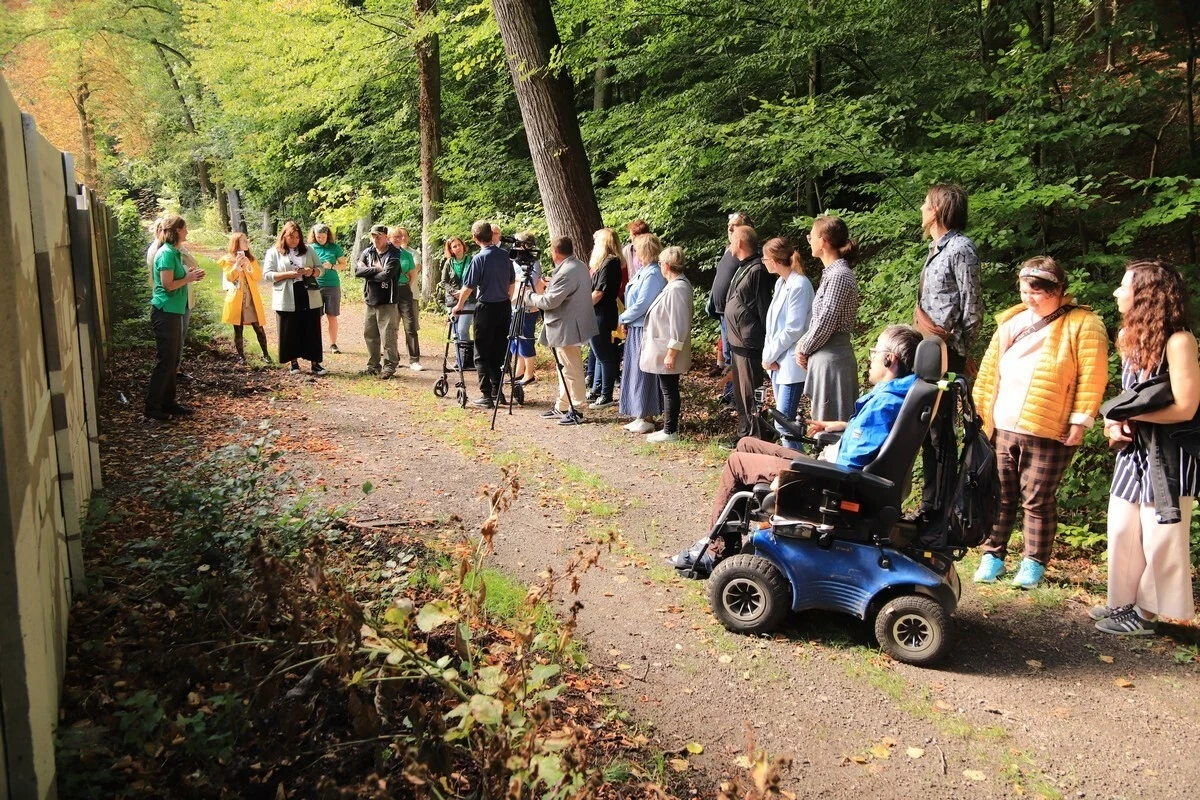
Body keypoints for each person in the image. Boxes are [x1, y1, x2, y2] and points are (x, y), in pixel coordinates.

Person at [970, 258, 1109, 588]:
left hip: (1050, 426)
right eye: (1024, 290)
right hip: (1004, 421)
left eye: (1036, 291)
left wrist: (1081, 420)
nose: (1029, 298)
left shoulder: (1084, 323)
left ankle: (1034, 562)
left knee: (1037, 498)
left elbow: (1093, 376)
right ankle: (993, 554)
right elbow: (989, 373)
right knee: (1000, 493)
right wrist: (978, 416)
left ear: (1058, 290)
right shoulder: (1012, 321)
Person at [705, 325, 924, 528]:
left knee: (737, 462)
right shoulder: (900, 396)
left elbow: (850, 466)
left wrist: (790, 476)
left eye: (875, 352)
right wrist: (846, 426)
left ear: (889, 359)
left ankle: (715, 550)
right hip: (832, 470)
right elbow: (874, 438)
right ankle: (735, 534)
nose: (871, 357)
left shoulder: (885, 404)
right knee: (747, 444)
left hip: (830, 483)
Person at [1091, 261, 1200, 636]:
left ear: (1147, 296)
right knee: (1122, 526)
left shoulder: (1179, 341)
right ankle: (1122, 601)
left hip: (1170, 454)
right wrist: (1112, 420)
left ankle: (1148, 613)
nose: (1117, 293)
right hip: (1134, 450)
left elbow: (1186, 407)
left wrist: (1135, 419)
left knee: (1162, 534)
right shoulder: (1129, 337)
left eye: (1125, 287)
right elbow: (1129, 396)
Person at [914, 184, 982, 521]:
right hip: (929, 350)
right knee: (927, 427)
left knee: (941, 430)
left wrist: (962, 352)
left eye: (926, 204)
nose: (921, 208)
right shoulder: (936, 248)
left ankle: (939, 510)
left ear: (938, 210)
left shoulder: (961, 248)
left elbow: (972, 308)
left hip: (947, 352)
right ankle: (931, 504)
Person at [526, 237, 598, 425]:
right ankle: (563, 405)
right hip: (570, 323)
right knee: (564, 367)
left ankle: (577, 408)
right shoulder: (579, 265)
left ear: (554, 252)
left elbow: (550, 301)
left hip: (567, 325)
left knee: (571, 368)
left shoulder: (567, 271)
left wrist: (529, 296)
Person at [795, 216, 860, 423]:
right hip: (826, 357)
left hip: (834, 361)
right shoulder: (831, 274)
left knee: (832, 421)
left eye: (811, 236)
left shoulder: (839, 275)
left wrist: (804, 348)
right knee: (822, 420)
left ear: (822, 241)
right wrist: (803, 344)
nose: (809, 241)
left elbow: (826, 320)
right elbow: (820, 319)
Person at [144, 215, 205, 421]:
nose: (187, 231)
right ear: (177, 230)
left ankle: (169, 403)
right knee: (166, 361)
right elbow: (167, 285)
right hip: (165, 312)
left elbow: (177, 279)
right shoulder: (166, 254)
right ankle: (152, 407)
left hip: (175, 311)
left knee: (173, 361)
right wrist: (188, 278)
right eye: (185, 228)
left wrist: (191, 276)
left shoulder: (174, 253)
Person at [454, 220, 515, 407]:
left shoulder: (478, 259)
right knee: (498, 349)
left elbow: (468, 286)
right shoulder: (505, 256)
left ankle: (486, 394)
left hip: (486, 308)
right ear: (491, 235)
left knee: (481, 352)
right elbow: (512, 284)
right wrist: (508, 300)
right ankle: (498, 392)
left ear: (474, 238)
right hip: (504, 306)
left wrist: (458, 306)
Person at [761, 237, 814, 450]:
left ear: (774, 260)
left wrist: (769, 355)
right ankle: (794, 468)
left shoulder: (799, 284)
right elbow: (773, 326)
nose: (763, 262)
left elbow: (794, 328)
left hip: (791, 362)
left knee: (784, 423)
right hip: (777, 362)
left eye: (765, 258)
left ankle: (799, 470)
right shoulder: (781, 282)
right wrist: (769, 356)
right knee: (783, 422)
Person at [724, 226, 775, 445]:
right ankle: (744, 432)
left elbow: (764, 308)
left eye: (733, 239)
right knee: (740, 392)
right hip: (738, 343)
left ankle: (757, 436)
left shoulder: (757, 270)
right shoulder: (744, 267)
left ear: (741, 243)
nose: (730, 243)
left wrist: (769, 343)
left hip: (750, 343)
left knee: (753, 391)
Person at [640, 246, 693, 443]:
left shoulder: (678, 288)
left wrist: (672, 352)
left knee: (669, 390)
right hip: (664, 347)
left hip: (668, 349)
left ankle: (670, 430)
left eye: (661, 263)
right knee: (667, 388)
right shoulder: (674, 286)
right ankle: (667, 428)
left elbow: (679, 323)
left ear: (667, 266)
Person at [618, 234, 668, 433]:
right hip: (636, 327)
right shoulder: (644, 271)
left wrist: (623, 318)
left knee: (643, 373)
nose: (635, 253)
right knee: (635, 372)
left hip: (644, 329)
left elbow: (642, 304)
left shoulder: (653, 274)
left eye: (637, 249)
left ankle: (647, 415)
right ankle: (639, 413)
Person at [263, 220, 326, 376]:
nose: (295, 240)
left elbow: (321, 269)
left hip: (307, 293)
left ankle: (315, 363)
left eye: (297, 237)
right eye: (291, 237)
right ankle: (293, 363)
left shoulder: (308, 250)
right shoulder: (273, 252)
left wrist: (310, 272)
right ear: (284, 236)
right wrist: (287, 275)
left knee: (311, 328)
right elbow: (267, 275)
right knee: (289, 329)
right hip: (286, 294)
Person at [706, 213, 753, 379]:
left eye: (736, 225)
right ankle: (729, 394)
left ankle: (733, 396)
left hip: (733, 313)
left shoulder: (748, 253)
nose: (730, 228)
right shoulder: (729, 249)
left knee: (732, 355)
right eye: (729, 226)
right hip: (722, 311)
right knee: (727, 353)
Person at [356, 225, 403, 379]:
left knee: (388, 335)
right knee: (370, 334)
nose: (375, 239)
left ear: (386, 237)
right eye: (373, 236)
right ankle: (373, 365)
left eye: (379, 236)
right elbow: (357, 271)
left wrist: (367, 272)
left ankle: (389, 366)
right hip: (370, 299)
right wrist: (376, 269)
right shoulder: (368, 252)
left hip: (387, 300)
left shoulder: (394, 254)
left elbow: (387, 276)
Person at [586, 228, 625, 408]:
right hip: (600, 312)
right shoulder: (607, 262)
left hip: (602, 313)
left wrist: (582, 307)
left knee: (605, 355)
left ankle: (606, 394)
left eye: (596, 242)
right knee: (599, 353)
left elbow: (599, 292)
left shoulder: (610, 263)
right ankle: (598, 389)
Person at [219, 232, 270, 365]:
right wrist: (237, 265)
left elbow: (258, 276)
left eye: (246, 241)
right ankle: (241, 356)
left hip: (251, 298)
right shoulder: (227, 260)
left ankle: (266, 354)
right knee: (238, 328)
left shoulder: (251, 259)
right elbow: (230, 277)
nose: (247, 243)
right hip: (236, 299)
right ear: (236, 243)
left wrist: (248, 264)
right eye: (244, 241)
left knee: (258, 327)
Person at [508, 232, 542, 386]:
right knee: (515, 338)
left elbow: (530, 282)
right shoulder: (514, 260)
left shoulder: (534, 262)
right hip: (514, 303)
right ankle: (519, 371)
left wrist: (515, 280)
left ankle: (529, 373)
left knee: (526, 338)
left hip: (528, 305)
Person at [388, 227, 422, 371]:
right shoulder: (386, 253)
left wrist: (406, 285)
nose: (398, 239)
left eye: (400, 236)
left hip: (404, 290)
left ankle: (414, 359)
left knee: (410, 325)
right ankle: (393, 358)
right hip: (389, 291)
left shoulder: (407, 254)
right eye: (395, 236)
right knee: (392, 326)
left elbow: (413, 272)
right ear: (388, 238)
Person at [310, 224, 346, 354]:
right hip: (315, 285)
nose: (320, 239)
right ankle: (315, 342)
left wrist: (331, 266)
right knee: (315, 316)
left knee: (332, 315)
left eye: (323, 237)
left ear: (327, 236)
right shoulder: (310, 248)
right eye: (318, 237)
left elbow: (343, 265)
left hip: (332, 285)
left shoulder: (335, 248)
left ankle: (333, 344)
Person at [440, 236, 474, 369]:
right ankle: (459, 360)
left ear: (463, 246)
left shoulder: (471, 260)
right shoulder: (449, 263)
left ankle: (467, 359)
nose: (457, 248)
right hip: (452, 300)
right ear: (451, 250)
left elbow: (476, 279)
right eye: (454, 246)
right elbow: (443, 282)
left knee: (463, 329)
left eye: (459, 245)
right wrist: (454, 291)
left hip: (469, 299)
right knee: (455, 332)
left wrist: (464, 292)